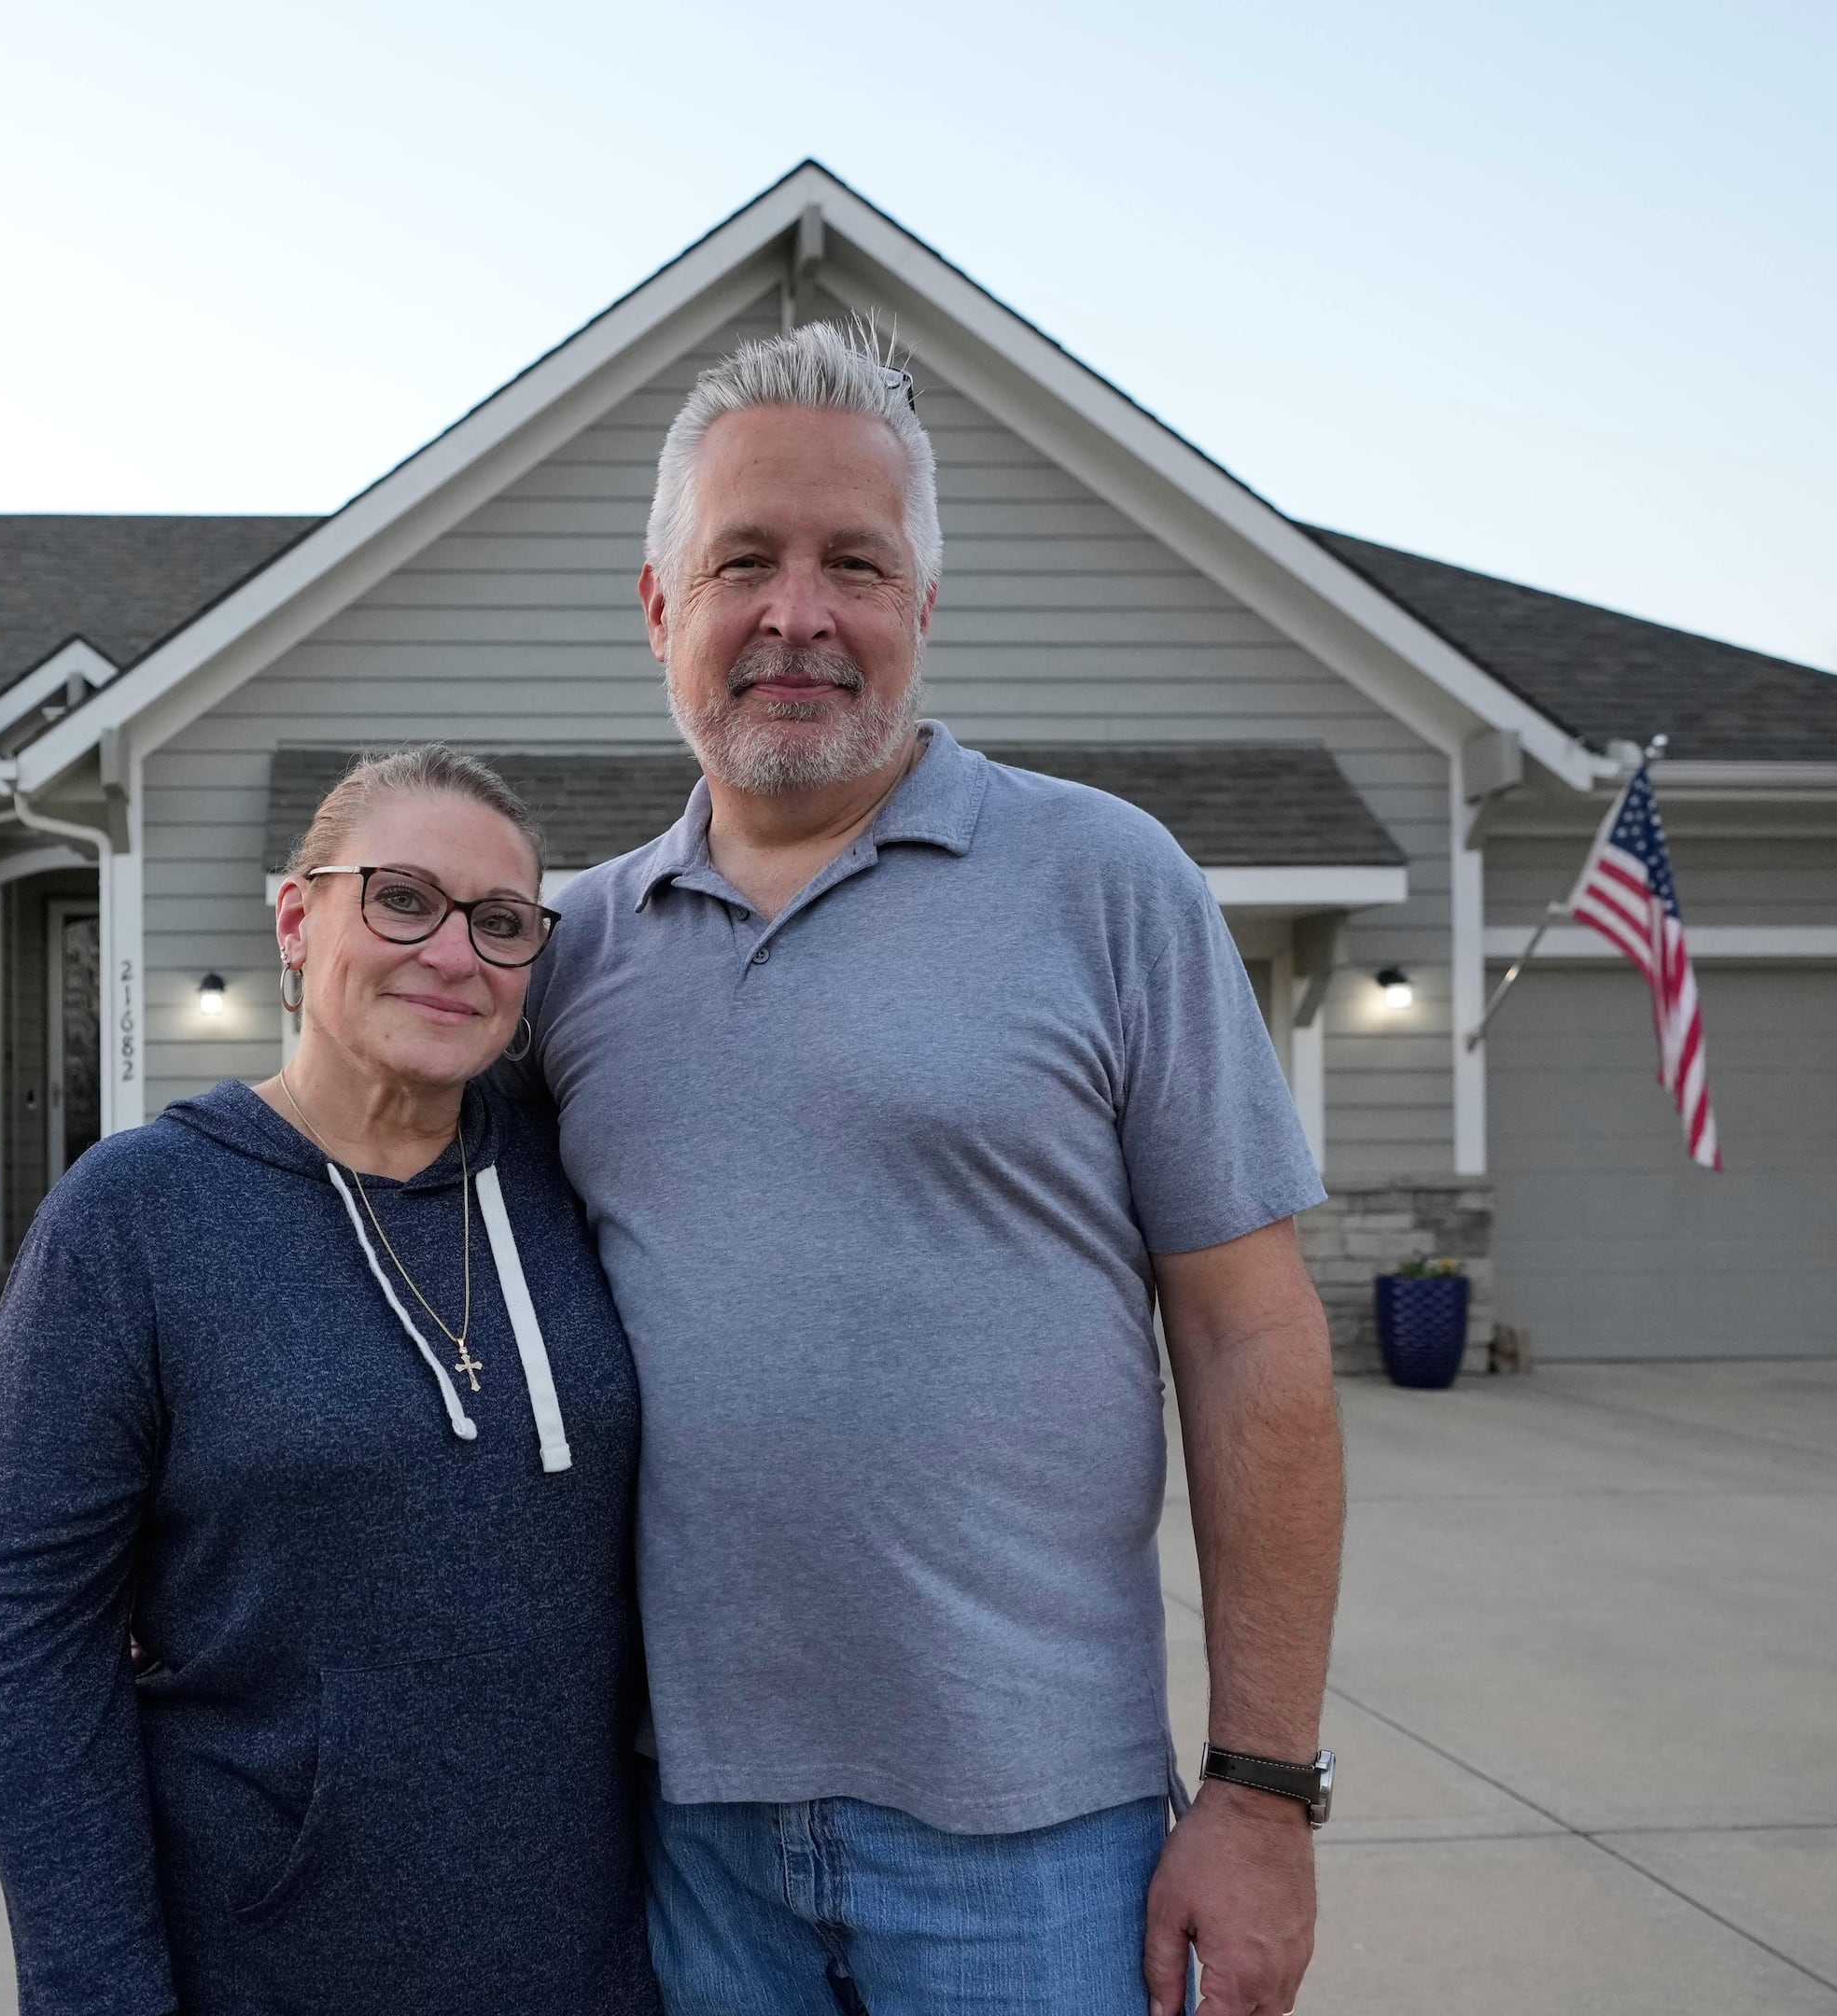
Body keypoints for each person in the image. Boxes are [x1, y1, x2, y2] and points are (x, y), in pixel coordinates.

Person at [519, 322, 1345, 2016]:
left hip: (1038, 1845)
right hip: (685, 1833)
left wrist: (1264, 1792)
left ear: (925, 610)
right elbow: (384, 1256)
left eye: (856, 565)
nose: (799, 614)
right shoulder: (567, 953)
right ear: (661, 607)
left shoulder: (1107, 883)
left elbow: (1253, 1339)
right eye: (744, 561)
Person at [0, 747, 658, 2016]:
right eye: (401, 897)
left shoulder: (580, 1178)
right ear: (295, 917)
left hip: (591, 1955)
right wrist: (97, 1985)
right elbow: (28, 1635)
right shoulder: (138, 1216)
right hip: (270, 1954)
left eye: (501, 923)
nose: (453, 952)